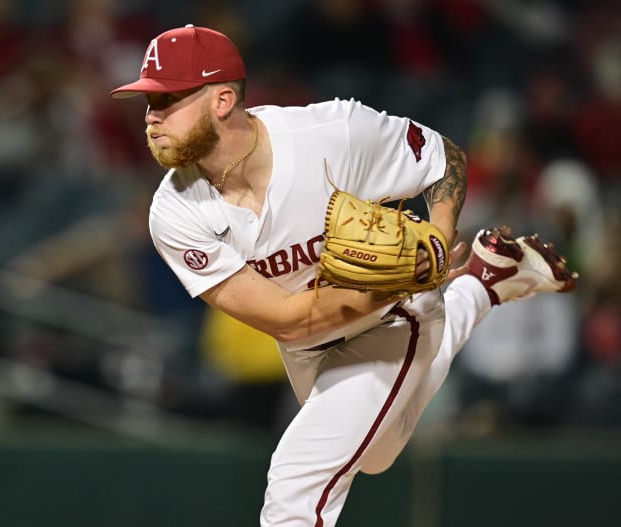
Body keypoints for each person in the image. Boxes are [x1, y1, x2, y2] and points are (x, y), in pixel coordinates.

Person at [110, 25, 577, 527]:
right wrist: (400, 276)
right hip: (311, 338)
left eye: (167, 99)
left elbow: (443, 158)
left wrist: (437, 242)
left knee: (297, 480)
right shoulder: (174, 213)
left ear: (223, 99)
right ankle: (481, 284)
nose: (150, 117)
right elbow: (287, 321)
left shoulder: (330, 134)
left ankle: (467, 291)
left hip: (396, 319)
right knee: (374, 454)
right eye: (148, 102)